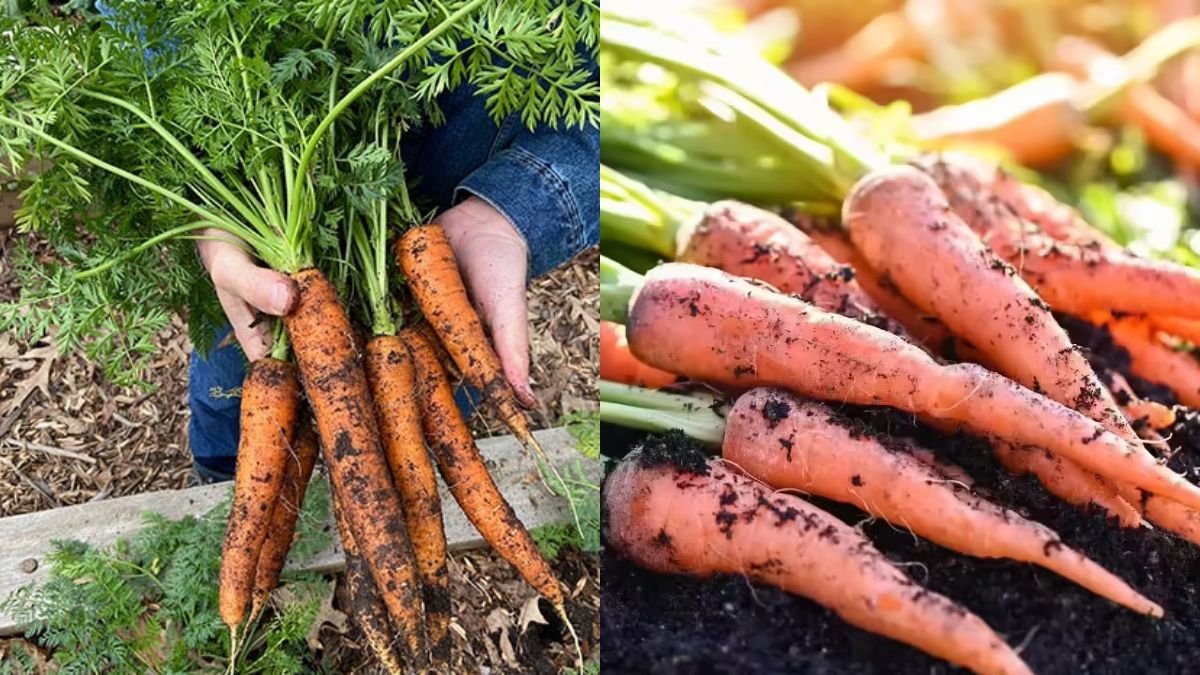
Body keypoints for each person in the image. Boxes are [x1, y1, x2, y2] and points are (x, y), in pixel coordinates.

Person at [189, 69, 599, 483]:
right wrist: (211, 218)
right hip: (255, 263)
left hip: (446, 271)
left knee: (432, 413)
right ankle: (220, 473)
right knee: (238, 391)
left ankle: (417, 471)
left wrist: (517, 209)